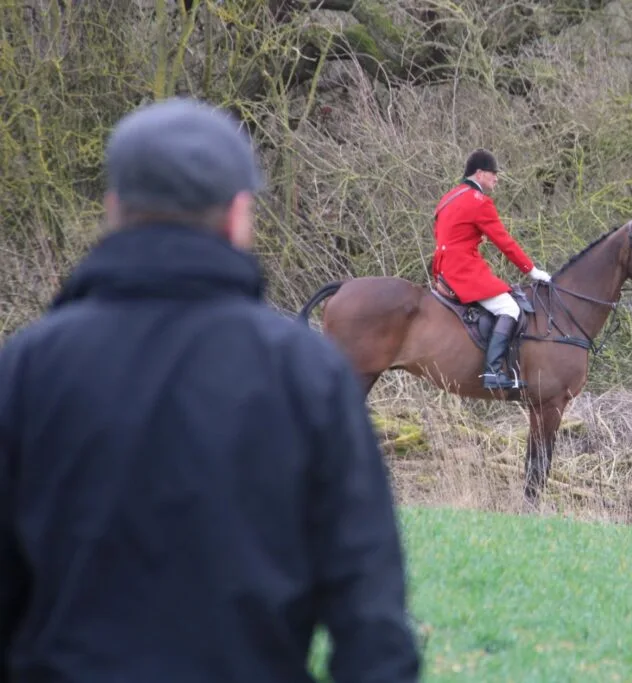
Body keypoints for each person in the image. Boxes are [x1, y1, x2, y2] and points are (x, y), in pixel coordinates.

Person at [0, 98, 420, 683]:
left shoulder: (24, 368)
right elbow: (371, 622)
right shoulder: (308, 374)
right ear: (238, 214)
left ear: (113, 208)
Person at [432, 149, 552, 391]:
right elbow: (504, 242)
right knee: (509, 307)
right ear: (479, 173)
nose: (496, 178)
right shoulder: (479, 202)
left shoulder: (449, 197)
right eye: (492, 173)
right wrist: (532, 270)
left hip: (442, 268)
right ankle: (493, 372)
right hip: (462, 271)